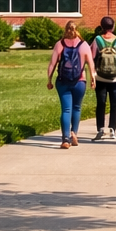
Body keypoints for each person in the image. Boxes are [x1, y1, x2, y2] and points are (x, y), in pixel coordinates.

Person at [46, 20, 94, 149]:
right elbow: (91, 65)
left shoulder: (59, 45)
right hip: (80, 81)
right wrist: (93, 79)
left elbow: (52, 64)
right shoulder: (84, 45)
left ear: (65, 29)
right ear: (77, 30)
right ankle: (75, 133)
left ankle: (65, 139)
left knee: (66, 109)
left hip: (63, 81)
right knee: (77, 108)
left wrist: (49, 80)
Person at [92, 16, 116, 141]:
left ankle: (100, 129)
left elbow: (92, 58)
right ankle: (112, 129)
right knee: (114, 104)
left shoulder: (97, 40)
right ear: (113, 27)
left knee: (101, 104)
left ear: (101, 26)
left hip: (101, 77)